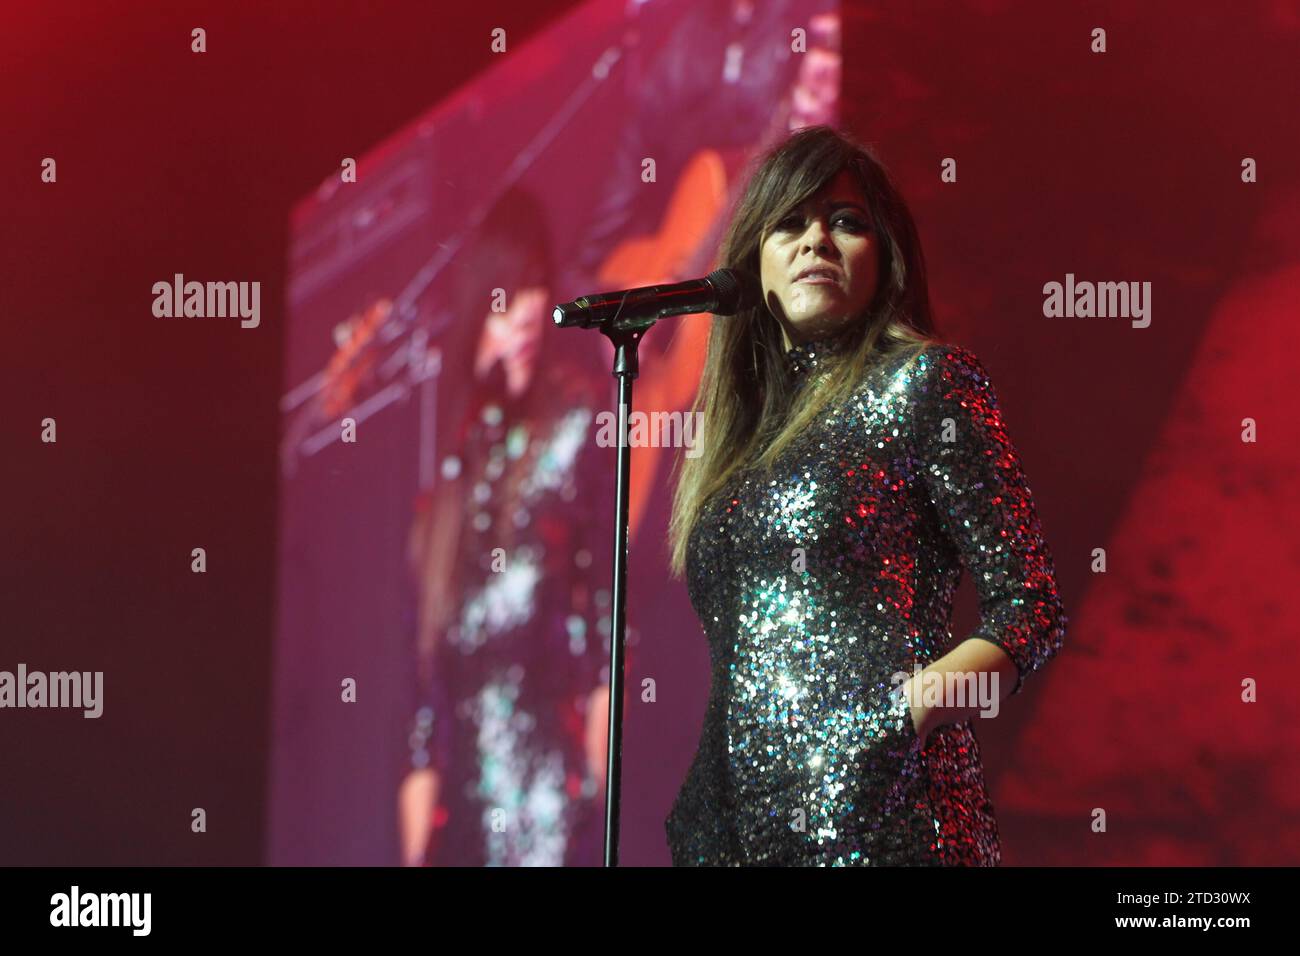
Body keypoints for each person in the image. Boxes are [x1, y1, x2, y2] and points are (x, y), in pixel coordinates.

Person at [663, 125, 1068, 866]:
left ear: (884, 258)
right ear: (754, 262)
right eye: (789, 222)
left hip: (890, 821)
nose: (816, 239)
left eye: (845, 222)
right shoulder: (734, 446)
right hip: (739, 837)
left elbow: (1032, 609)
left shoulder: (928, 385)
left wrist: (888, 723)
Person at [396, 184, 624, 867]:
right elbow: (426, 713)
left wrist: (591, 816)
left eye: (534, 292)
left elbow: (607, 637)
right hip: (459, 827)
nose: (524, 316)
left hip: (550, 814)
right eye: (505, 301)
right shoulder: (452, 486)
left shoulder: (576, 429)